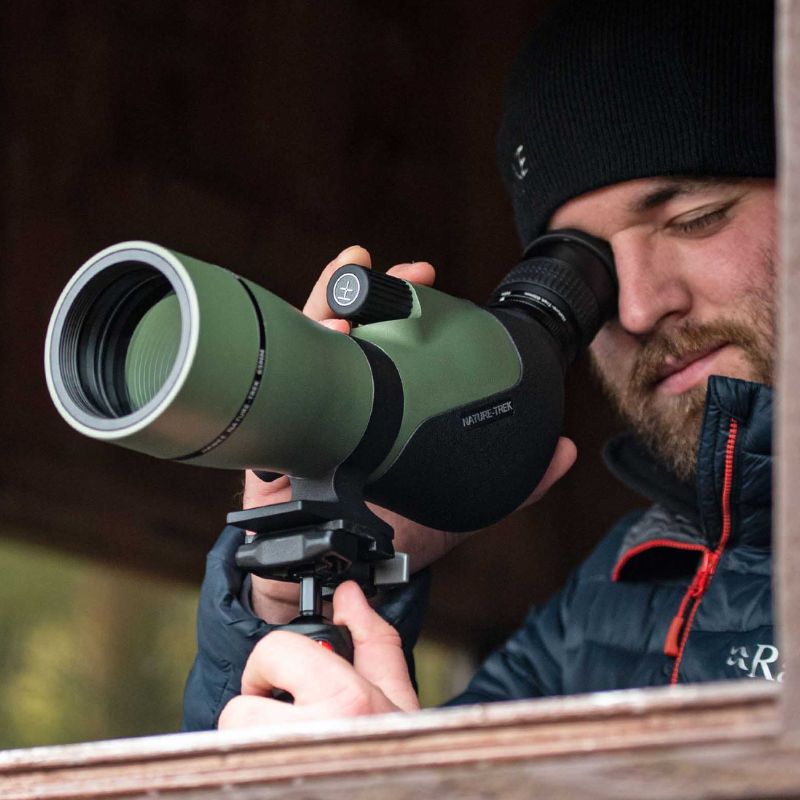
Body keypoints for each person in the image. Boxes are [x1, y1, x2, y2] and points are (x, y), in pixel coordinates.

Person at [181, 0, 777, 731]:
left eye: (696, 218)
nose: (640, 307)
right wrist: (298, 589)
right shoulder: (596, 622)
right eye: (588, 274)